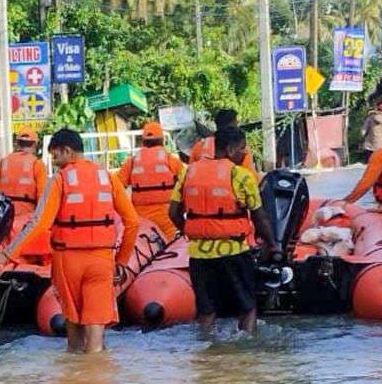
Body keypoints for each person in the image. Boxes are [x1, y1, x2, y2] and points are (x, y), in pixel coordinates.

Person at [0, 128, 140, 354]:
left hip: (68, 262)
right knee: (96, 342)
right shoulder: (107, 177)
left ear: (67, 151)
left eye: (56, 157)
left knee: (74, 342)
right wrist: (122, 261)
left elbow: (38, 223)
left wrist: (5, 255)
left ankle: (73, 382)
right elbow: (133, 222)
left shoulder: (59, 180)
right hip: (102, 260)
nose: (55, 163)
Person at [169, 126, 279, 333]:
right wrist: (273, 244)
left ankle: (205, 352)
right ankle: (246, 352)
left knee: (206, 310)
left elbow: (173, 212)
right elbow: (259, 215)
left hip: (198, 256)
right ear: (229, 149)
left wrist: (190, 231)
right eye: (241, 149)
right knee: (247, 307)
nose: (244, 153)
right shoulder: (241, 176)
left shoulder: (188, 172)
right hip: (233, 252)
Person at [0, 128, 49, 259]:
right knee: (25, 259)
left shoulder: (3, 163)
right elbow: (43, 199)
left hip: (3, 219)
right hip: (26, 222)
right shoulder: (37, 164)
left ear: (17, 143)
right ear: (34, 144)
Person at [116, 121, 183, 239]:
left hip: (141, 217)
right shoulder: (170, 160)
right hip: (166, 217)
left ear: (143, 141)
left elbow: (117, 187)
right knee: (168, 251)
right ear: (162, 140)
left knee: (146, 249)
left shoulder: (132, 162)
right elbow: (185, 183)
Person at [189, 109, 259, 179]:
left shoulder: (198, 147)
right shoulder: (240, 149)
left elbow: (191, 173)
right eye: (235, 125)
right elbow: (251, 178)